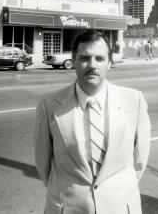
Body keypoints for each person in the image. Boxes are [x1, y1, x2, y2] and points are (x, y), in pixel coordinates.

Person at [34, 30, 151, 214]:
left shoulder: (133, 101)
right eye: (84, 58)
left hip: (120, 207)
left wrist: (117, 192)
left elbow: (140, 161)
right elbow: (43, 164)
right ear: (73, 62)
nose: (92, 65)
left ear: (110, 63)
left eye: (99, 58)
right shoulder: (49, 105)